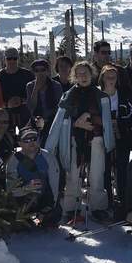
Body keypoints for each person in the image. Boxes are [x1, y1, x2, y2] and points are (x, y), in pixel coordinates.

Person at [45, 62, 115, 222]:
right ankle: (71, 208)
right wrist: (77, 122)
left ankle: (98, 207)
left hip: (96, 138)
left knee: (97, 175)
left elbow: (105, 119)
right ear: (74, 76)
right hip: (74, 139)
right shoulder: (69, 95)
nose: (83, 77)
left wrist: (90, 120)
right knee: (73, 174)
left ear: (92, 75)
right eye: (79, 74)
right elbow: (62, 119)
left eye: (86, 73)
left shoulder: (100, 96)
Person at [6, 128, 61, 228]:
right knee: (18, 224)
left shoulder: (49, 157)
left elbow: (55, 186)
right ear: (20, 143)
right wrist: (26, 189)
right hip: (23, 199)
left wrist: (50, 206)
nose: (31, 142)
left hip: (44, 196)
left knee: (54, 216)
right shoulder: (14, 161)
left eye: (34, 139)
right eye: (26, 140)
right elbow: (9, 190)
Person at [99, 65, 132, 207]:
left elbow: (130, 114)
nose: (111, 79)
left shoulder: (123, 94)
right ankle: (107, 198)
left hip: (121, 134)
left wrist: (118, 121)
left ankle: (122, 197)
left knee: (122, 167)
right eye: (108, 77)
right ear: (103, 78)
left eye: (114, 76)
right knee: (105, 168)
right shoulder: (98, 94)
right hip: (101, 135)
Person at [0, 47, 34, 129]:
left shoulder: (28, 75)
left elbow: (35, 94)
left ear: (18, 59)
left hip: (25, 114)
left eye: (14, 58)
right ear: (5, 60)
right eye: (9, 59)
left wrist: (22, 101)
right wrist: (6, 104)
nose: (12, 61)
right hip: (5, 116)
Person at [26, 59, 63, 139]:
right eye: (37, 70)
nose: (40, 73)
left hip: (52, 122)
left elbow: (59, 107)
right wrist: (36, 89)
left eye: (43, 70)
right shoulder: (30, 86)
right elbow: (31, 107)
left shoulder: (56, 85)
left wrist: (47, 119)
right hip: (36, 122)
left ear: (47, 71)